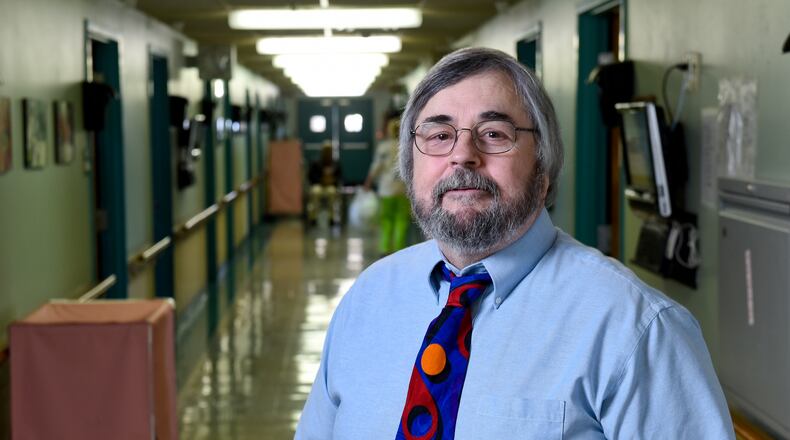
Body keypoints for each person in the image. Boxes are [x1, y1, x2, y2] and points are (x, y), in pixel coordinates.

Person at [296, 47, 734, 439]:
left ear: (543, 168)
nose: (463, 154)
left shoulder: (635, 328)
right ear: (411, 168)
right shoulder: (367, 301)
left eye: (494, 134)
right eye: (438, 135)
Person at [364, 112, 412, 255]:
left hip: (386, 190)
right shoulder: (408, 147)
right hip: (403, 189)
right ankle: (399, 248)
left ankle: (384, 248)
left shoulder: (383, 147)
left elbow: (376, 167)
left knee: (386, 220)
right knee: (402, 220)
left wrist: (368, 181)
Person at [307, 141, 342, 226]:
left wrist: (332, 180)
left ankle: (332, 218)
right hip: (319, 185)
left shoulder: (335, 164)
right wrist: (321, 180)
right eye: (326, 150)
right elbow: (310, 177)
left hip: (330, 186)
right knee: (315, 192)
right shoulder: (316, 163)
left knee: (332, 192)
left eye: (329, 150)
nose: (327, 152)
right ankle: (313, 217)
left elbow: (339, 177)